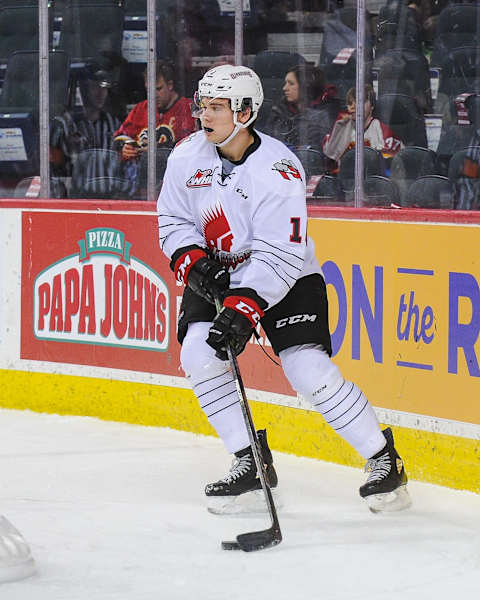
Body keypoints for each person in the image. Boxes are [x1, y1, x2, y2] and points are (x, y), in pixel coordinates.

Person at [157, 64, 412, 515]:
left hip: (288, 276)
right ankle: (249, 460)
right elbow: (173, 221)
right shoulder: (185, 157)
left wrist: (244, 309)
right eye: (203, 105)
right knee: (198, 353)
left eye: (218, 107)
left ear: (246, 111)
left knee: (306, 368)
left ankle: (382, 458)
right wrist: (193, 264)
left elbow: (279, 253)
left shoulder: (278, 168)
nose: (205, 115)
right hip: (217, 271)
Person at [113, 60, 197, 160]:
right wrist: (125, 148)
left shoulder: (188, 108)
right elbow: (119, 139)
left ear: (170, 85)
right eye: (149, 90)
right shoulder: (140, 109)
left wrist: (160, 149)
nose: (154, 95)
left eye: (158, 89)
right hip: (143, 173)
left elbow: (195, 145)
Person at [50, 64, 121, 179]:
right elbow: (54, 167)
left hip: (110, 195)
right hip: (73, 194)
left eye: (104, 87)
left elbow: (123, 163)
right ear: (83, 89)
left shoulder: (114, 125)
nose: (100, 93)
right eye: (94, 87)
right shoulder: (63, 125)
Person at [323, 84, 404, 170]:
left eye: (360, 102)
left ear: (372, 106)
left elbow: (396, 164)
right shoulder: (342, 126)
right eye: (350, 103)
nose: (353, 107)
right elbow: (329, 162)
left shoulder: (381, 131)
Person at [265, 64, 339, 152]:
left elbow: (312, 151)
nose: (285, 88)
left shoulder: (324, 115)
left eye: (291, 84)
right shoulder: (279, 111)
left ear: (306, 86)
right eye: (286, 83)